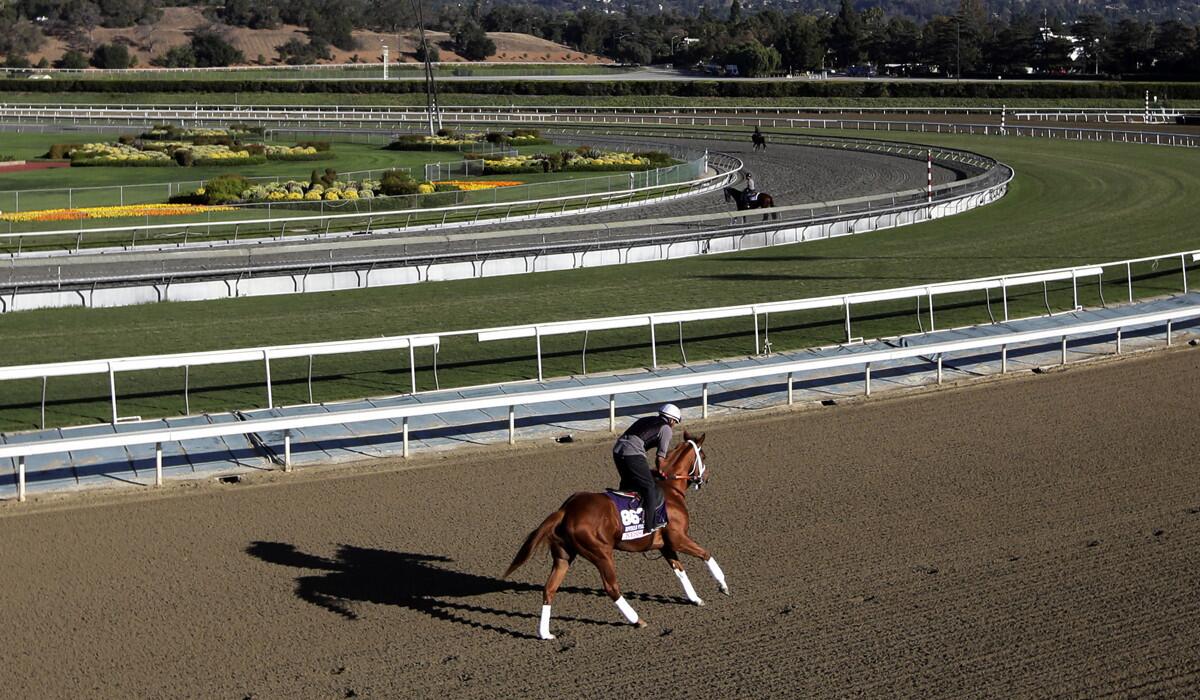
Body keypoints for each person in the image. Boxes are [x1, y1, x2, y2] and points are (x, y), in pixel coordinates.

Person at [612, 404, 681, 534]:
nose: (673, 426)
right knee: (649, 487)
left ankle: (622, 513)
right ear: (671, 420)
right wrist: (661, 471)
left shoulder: (644, 419)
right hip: (632, 453)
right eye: (675, 423)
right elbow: (660, 458)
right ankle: (650, 526)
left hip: (617, 450)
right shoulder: (666, 429)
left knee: (628, 482)